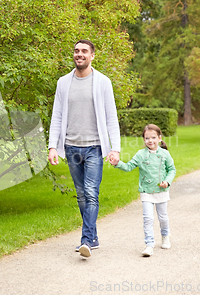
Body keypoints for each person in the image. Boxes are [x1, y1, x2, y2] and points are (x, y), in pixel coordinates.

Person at [48, 39, 121, 258]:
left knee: (91, 192)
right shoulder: (63, 82)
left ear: (92, 56)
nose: (79, 54)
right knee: (81, 195)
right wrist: (53, 146)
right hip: (71, 147)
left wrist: (115, 148)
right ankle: (94, 237)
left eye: (84, 51)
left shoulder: (102, 82)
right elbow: (57, 116)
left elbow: (111, 117)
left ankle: (86, 240)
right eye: (77, 51)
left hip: (95, 148)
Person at [109, 124, 176, 257]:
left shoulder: (165, 154)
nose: (150, 141)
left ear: (159, 138)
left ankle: (165, 236)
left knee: (163, 217)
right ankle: (149, 244)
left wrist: (167, 181)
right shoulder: (141, 154)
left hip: (161, 191)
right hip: (146, 191)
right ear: (144, 139)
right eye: (147, 138)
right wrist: (117, 163)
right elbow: (129, 167)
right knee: (148, 218)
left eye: (153, 137)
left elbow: (172, 169)